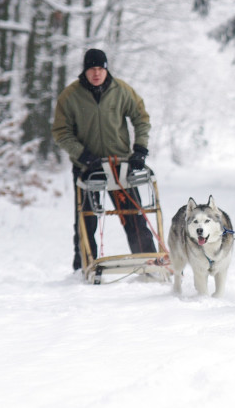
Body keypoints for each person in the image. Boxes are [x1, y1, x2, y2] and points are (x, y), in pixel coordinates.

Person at [52, 48, 157, 271]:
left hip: (119, 166)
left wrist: (140, 148)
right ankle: (84, 266)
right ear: (85, 71)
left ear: (106, 69)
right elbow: (61, 131)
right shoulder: (70, 96)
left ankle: (147, 260)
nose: (97, 73)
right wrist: (82, 154)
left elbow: (141, 118)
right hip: (87, 167)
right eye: (92, 69)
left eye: (100, 68)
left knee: (133, 216)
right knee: (86, 219)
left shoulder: (121, 91)